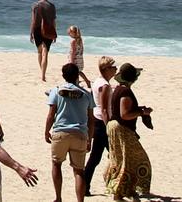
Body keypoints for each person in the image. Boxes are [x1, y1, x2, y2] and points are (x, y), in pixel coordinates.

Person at [45, 62, 95, 202]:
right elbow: (91, 120)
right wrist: (89, 139)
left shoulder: (56, 91)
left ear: (63, 76)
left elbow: (51, 115)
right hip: (79, 134)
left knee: (56, 164)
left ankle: (58, 197)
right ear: (77, 76)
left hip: (60, 132)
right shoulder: (86, 94)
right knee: (79, 171)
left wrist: (46, 131)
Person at [103, 63, 152, 201]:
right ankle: (123, 192)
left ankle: (122, 192)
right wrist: (142, 112)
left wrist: (139, 110)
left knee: (122, 160)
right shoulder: (125, 92)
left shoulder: (118, 89)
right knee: (137, 159)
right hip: (121, 128)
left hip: (114, 126)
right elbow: (124, 114)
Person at [82, 56, 118, 196]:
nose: (115, 69)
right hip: (101, 123)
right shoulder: (104, 86)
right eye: (113, 67)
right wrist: (109, 126)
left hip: (97, 121)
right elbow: (103, 109)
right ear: (106, 69)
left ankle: (85, 186)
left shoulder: (98, 82)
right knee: (113, 155)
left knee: (97, 157)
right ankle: (86, 185)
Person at [31, 0, 58, 82]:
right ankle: (43, 75)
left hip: (38, 30)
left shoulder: (36, 5)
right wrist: (55, 33)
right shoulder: (52, 6)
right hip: (49, 30)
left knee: (39, 52)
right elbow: (54, 21)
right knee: (45, 53)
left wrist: (31, 33)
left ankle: (42, 73)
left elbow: (34, 21)